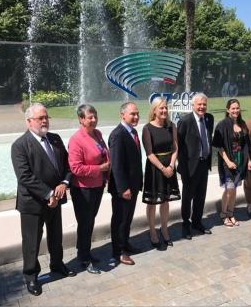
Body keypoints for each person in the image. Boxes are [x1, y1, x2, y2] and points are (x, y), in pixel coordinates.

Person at [11, 103, 76, 297]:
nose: (45, 121)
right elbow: (25, 177)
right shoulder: (20, 145)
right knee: (31, 242)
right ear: (29, 121)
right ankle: (31, 276)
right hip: (32, 203)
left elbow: (68, 165)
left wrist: (64, 183)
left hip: (56, 200)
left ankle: (57, 264)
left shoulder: (55, 139)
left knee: (56, 236)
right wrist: (50, 195)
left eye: (46, 117)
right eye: (41, 118)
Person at [68, 104, 109, 274]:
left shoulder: (97, 134)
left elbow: (104, 153)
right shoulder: (76, 140)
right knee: (84, 223)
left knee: (90, 221)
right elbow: (75, 168)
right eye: (89, 117)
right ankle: (83, 258)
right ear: (81, 119)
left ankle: (86, 251)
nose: (93, 120)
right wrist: (99, 169)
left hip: (97, 186)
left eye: (95, 116)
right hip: (83, 189)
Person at [142, 97, 181, 249]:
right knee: (153, 202)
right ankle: (152, 231)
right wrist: (163, 168)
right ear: (154, 111)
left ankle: (164, 230)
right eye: (161, 108)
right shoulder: (147, 128)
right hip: (155, 169)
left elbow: (175, 148)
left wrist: (171, 165)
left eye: (165, 108)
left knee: (165, 201)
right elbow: (149, 153)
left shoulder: (172, 126)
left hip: (169, 167)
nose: (164, 111)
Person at [108, 102, 143, 265]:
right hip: (123, 188)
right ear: (122, 115)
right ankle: (118, 251)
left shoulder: (133, 132)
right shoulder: (117, 134)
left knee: (127, 218)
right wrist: (123, 188)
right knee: (120, 219)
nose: (136, 117)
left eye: (137, 113)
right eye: (132, 114)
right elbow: (116, 164)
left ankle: (125, 243)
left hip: (133, 185)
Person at [177, 93, 214, 239]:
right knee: (188, 197)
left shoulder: (209, 118)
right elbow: (179, 147)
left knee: (201, 195)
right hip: (189, 167)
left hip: (204, 164)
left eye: (204, 104)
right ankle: (185, 224)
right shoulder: (185, 121)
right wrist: (183, 169)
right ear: (193, 105)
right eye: (199, 104)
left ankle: (197, 222)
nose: (202, 107)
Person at [212, 99, 249, 227]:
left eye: (237, 108)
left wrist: (248, 160)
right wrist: (227, 161)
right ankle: (223, 214)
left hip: (240, 162)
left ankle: (231, 213)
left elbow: (246, 145)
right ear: (227, 110)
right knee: (229, 189)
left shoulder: (242, 124)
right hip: (227, 162)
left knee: (234, 190)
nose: (235, 111)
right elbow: (217, 146)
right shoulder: (222, 125)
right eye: (233, 108)